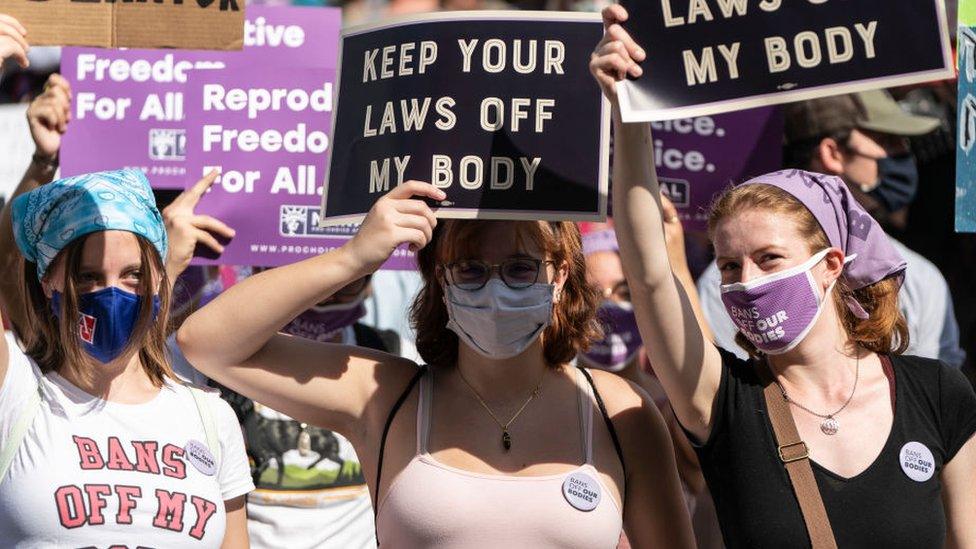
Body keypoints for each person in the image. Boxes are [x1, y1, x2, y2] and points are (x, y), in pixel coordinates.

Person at [592, 5, 976, 547]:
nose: (745, 280)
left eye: (768, 258)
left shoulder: (937, 393)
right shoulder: (723, 401)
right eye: (728, 265)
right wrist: (627, 110)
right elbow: (652, 273)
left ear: (831, 266)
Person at [178, 182, 695, 547]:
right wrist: (353, 258)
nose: (495, 289)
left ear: (559, 276)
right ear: (439, 281)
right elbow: (208, 343)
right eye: (470, 270)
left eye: (520, 269)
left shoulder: (616, 408)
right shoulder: (386, 395)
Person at [0, 168, 253, 546]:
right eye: (87, 277)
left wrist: (355, 256)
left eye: (133, 274)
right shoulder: (14, 392)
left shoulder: (211, 418)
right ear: (48, 281)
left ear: (158, 278)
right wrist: (42, 162)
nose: (111, 295)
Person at [697, 91, 966, 368]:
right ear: (832, 153)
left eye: (769, 258)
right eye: (886, 140)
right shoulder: (733, 285)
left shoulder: (918, 275)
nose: (901, 153)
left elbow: (935, 390)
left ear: (833, 263)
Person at [172, 273, 397, 549]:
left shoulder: (391, 357)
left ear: (369, 283)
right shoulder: (211, 362)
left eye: (349, 283)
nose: (327, 292)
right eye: (309, 273)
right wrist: (177, 269)